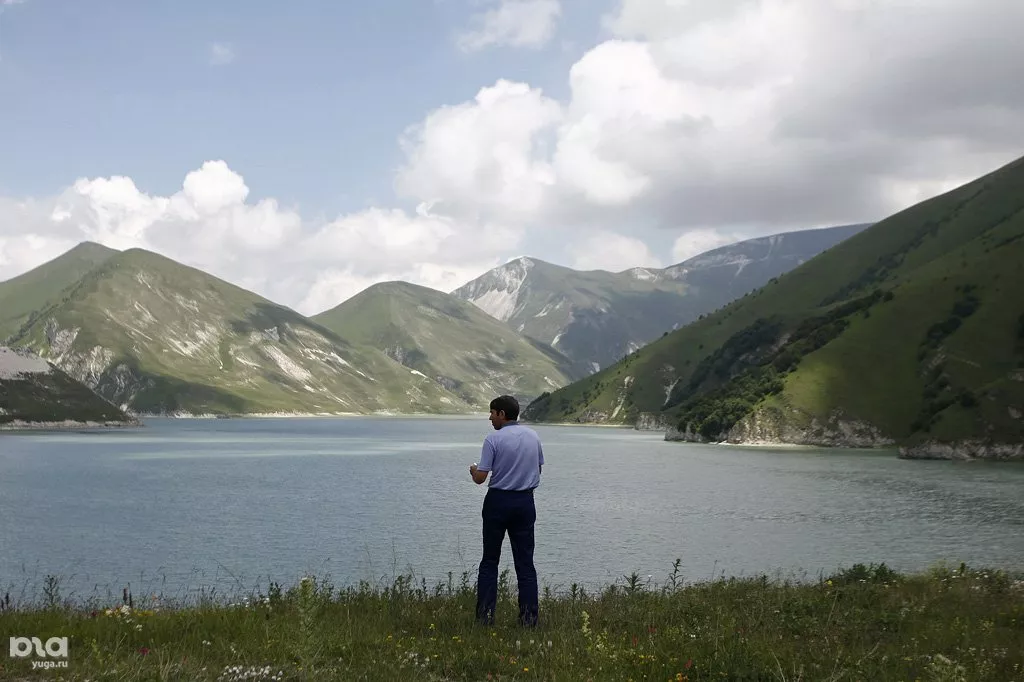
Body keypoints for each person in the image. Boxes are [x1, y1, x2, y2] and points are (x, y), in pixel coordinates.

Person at [469, 395, 544, 627]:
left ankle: (485, 618)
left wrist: (472, 470)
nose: (490, 417)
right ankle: (529, 619)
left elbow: (481, 478)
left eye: (492, 413)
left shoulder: (493, 439)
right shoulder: (533, 436)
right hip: (525, 502)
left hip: (498, 502)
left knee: (490, 561)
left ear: (502, 414)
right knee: (525, 563)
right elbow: (538, 469)